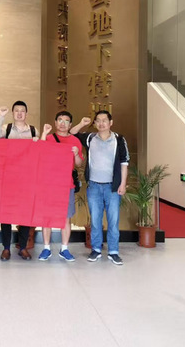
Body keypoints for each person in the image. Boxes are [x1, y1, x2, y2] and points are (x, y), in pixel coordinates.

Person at [71, 111, 129, 265]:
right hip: (94, 186)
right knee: (95, 220)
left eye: (104, 120)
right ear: (95, 123)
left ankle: (113, 251)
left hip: (112, 187)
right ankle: (96, 249)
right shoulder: (90, 138)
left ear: (111, 122)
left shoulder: (119, 139)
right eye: (98, 121)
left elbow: (124, 163)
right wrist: (82, 124)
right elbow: (72, 133)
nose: (101, 123)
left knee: (113, 220)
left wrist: (123, 183)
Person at [0, 100, 38, 261]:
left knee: (25, 213)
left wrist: (38, 141)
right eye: (16, 111)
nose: (19, 113)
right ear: (13, 113)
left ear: (26, 113)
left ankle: (23, 247)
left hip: (27, 178)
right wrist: (1, 116)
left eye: (22, 111)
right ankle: (6, 248)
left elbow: (40, 151)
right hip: (8, 177)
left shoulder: (33, 130)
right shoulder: (7, 128)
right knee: (6, 213)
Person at [38, 111, 83, 262]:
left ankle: (64, 249)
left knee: (66, 218)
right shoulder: (49, 138)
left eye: (66, 121)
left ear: (70, 125)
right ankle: (46, 248)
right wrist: (44, 133)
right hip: (49, 184)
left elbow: (79, 164)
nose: (63, 123)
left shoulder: (75, 141)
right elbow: (39, 153)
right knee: (47, 217)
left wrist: (75, 154)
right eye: (60, 120)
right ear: (55, 123)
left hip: (66, 184)